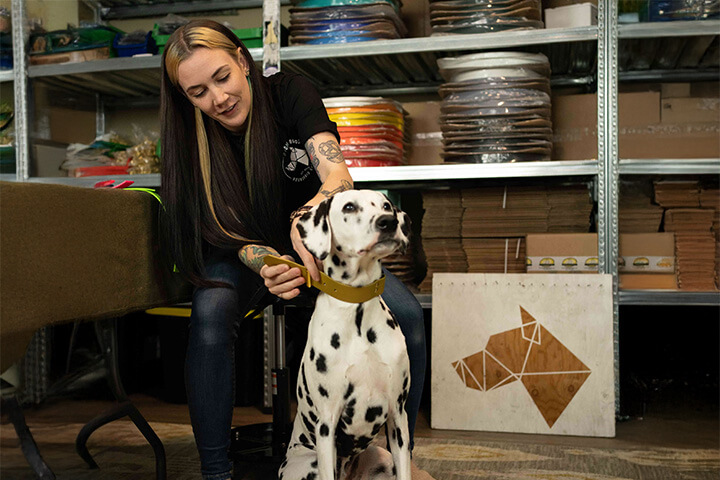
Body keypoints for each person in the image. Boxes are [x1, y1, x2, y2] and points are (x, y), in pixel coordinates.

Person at [159, 20, 427, 480]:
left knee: (407, 315)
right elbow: (213, 231)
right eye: (199, 92)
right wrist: (267, 263)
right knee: (210, 314)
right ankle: (215, 472)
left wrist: (304, 225)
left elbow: (338, 178)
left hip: (323, 250)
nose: (218, 99)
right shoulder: (187, 140)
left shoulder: (290, 92)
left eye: (222, 78)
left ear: (242, 62)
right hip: (240, 253)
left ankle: (391, 456)